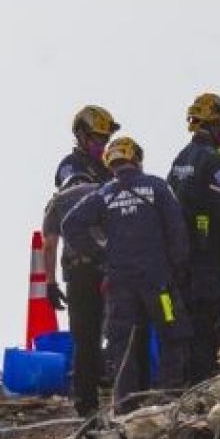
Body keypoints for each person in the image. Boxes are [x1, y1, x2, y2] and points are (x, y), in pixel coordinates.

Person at [62, 136, 189, 413]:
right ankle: (171, 395)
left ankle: (125, 405)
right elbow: (177, 229)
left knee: (123, 342)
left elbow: (70, 224)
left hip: (120, 286)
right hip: (159, 283)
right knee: (171, 330)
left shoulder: (104, 195)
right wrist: (178, 268)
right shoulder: (156, 187)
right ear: (137, 159)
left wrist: (100, 255)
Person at [168, 93, 220, 382]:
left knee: (187, 320)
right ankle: (199, 383)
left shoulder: (180, 159)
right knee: (206, 320)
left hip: (181, 256)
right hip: (207, 256)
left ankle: (183, 380)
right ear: (218, 123)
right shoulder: (216, 163)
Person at [42, 105, 118, 416]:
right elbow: (50, 240)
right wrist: (48, 282)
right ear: (82, 136)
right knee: (87, 335)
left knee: (103, 330)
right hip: (84, 267)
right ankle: (87, 402)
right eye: (97, 140)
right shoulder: (72, 170)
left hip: (107, 266)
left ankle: (102, 383)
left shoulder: (108, 172)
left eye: (105, 140)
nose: (102, 146)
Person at [55, 105, 119, 190]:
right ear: (81, 134)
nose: (102, 143)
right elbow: (74, 192)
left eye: (105, 137)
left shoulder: (110, 167)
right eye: (97, 136)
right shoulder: (70, 163)